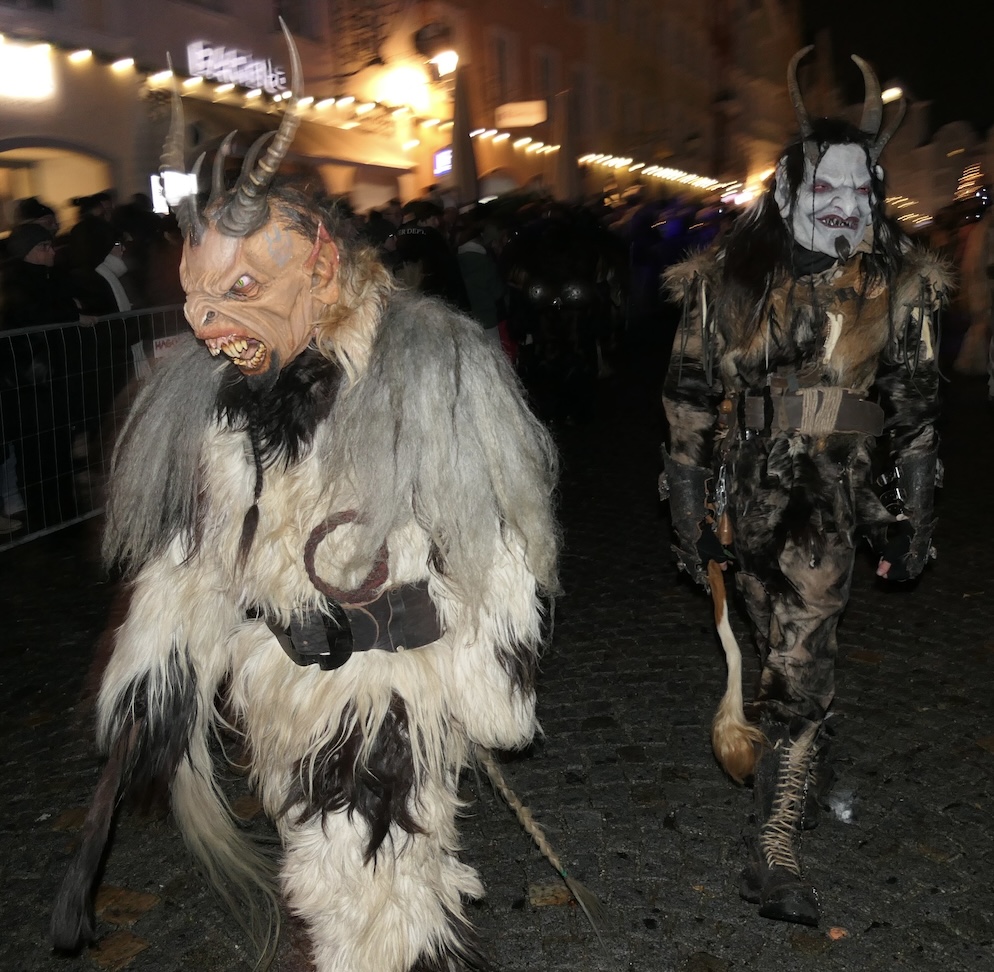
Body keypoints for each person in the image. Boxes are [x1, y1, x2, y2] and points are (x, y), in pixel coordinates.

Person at [52, 30, 560, 972]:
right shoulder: (214, 390)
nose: (207, 323)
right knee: (332, 884)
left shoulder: (426, 365)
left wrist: (496, 668)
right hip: (280, 693)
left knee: (377, 887)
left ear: (319, 266)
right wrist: (157, 666)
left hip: (387, 694)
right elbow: (194, 553)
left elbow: (494, 533)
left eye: (240, 289)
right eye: (199, 294)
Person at [660, 47, 950, 926]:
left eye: (859, 191)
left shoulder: (898, 286)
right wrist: (687, 508)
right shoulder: (727, 283)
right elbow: (687, 399)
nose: (843, 206)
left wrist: (914, 514)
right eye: (825, 188)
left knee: (801, 655)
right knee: (774, 643)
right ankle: (802, 740)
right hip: (742, 496)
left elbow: (916, 407)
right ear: (787, 194)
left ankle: (776, 848)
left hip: (831, 500)